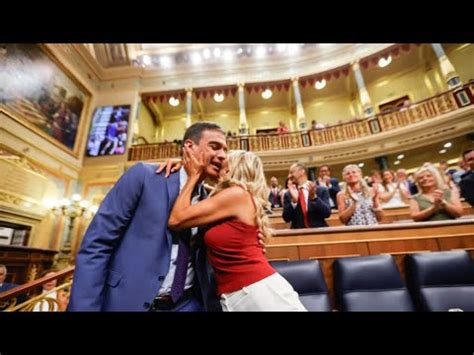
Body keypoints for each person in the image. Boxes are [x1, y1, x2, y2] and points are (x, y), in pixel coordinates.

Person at [68, 122, 263, 312]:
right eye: (214, 147)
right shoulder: (144, 176)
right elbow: (97, 245)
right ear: (189, 146)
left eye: (225, 150)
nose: (222, 155)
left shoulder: (212, 200)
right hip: (128, 300)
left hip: (187, 303)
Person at [168, 149, 306, 311]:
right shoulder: (235, 197)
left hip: (258, 293)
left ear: (232, 168)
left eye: (225, 161)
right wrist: (183, 169)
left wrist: (192, 177)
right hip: (238, 294)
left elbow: (176, 219)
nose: (220, 162)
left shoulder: (237, 195)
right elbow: (208, 191)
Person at [283, 163, 331, 229]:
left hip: (319, 232)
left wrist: (314, 198)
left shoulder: (321, 190)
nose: (289, 176)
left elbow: (327, 213)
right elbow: (286, 218)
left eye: (291, 172)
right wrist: (294, 202)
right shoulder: (288, 194)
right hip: (297, 235)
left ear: (302, 172)